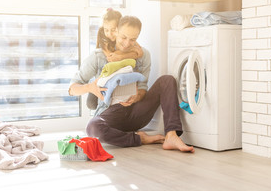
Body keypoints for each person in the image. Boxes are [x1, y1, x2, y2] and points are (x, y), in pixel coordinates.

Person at [69, 16, 194, 153]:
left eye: (133, 39)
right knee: (93, 127)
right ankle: (140, 139)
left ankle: (172, 135)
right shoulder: (98, 57)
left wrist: (137, 96)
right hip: (111, 114)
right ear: (115, 31)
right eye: (123, 37)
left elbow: (143, 88)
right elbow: (72, 89)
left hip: (136, 112)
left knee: (167, 80)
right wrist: (90, 87)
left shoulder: (143, 55)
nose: (127, 43)